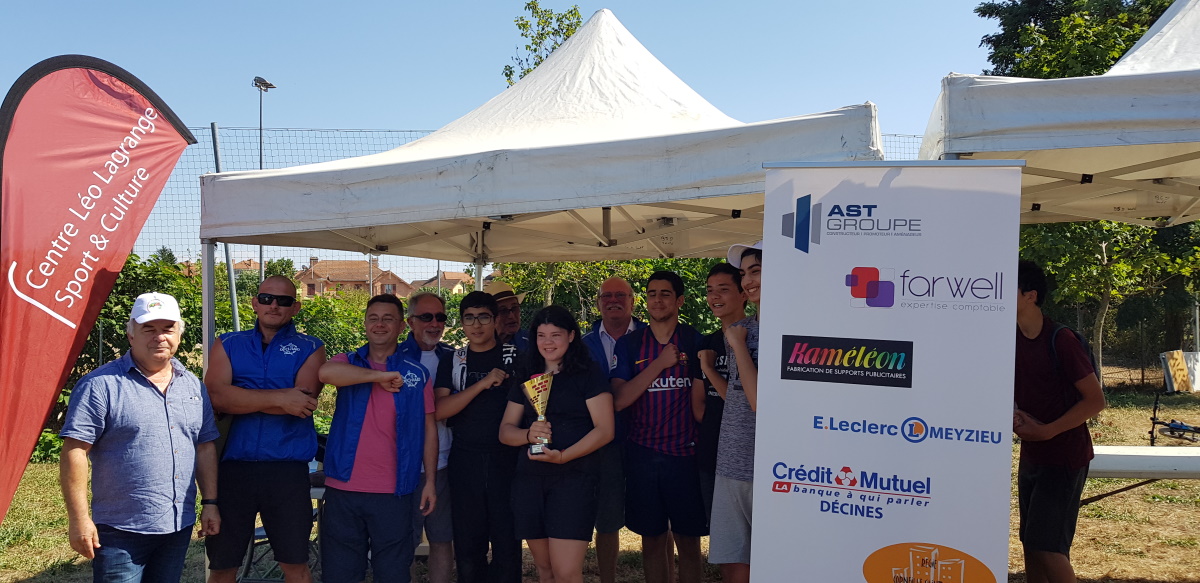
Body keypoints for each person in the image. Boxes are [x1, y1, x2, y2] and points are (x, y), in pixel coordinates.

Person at [59, 292, 220, 582]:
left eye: (168, 329)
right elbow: (75, 451)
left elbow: (204, 447)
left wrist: (210, 502)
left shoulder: (193, 386)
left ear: (179, 335)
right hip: (120, 530)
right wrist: (79, 519)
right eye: (149, 329)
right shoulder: (100, 385)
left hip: (178, 525)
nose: (159, 337)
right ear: (131, 334)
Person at [205, 275, 326, 583]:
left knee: (295, 566)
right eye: (267, 298)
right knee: (222, 566)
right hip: (232, 469)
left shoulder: (311, 347)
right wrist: (280, 398)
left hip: (286, 471)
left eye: (284, 301)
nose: (274, 305)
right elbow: (216, 397)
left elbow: (302, 403)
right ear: (254, 303)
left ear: (295, 308)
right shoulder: (227, 343)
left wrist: (240, 397)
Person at [318, 294, 438, 583]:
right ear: (365, 324)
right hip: (344, 487)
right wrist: (378, 377)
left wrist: (431, 482)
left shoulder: (416, 373)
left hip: (394, 490)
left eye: (388, 319)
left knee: (393, 573)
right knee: (340, 575)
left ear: (401, 326)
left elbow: (429, 429)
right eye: (373, 318)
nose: (380, 324)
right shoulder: (348, 362)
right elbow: (325, 372)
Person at [499, 305, 615, 583]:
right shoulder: (526, 373)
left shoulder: (588, 373)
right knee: (546, 570)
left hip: (574, 480)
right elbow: (505, 432)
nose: (548, 343)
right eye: (541, 335)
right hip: (530, 481)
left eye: (556, 335)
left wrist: (564, 456)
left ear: (571, 336)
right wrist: (528, 435)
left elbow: (605, 430)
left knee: (566, 571)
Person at [611, 271, 707, 583]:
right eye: (652, 293)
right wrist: (660, 364)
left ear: (679, 301)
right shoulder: (630, 344)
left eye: (665, 293)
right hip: (643, 456)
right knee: (652, 542)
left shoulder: (695, 341)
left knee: (689, 544)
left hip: (685, 457)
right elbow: (620, 400)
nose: (657, 299)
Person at [1014, 260, 1106, 583]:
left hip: (1066, 457)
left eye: (1006, 287)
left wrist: (1047, 430)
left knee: (1049, 549)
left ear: (1031, 296)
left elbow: (1096, 400)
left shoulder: (1061, 339)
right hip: (1032, 456)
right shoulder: (1007, 338)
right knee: (1031, 544)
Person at [433, 291, 521, 583]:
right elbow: (440, 410)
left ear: (495, 320)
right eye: (469, 318)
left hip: (507, 460)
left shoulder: (516, 357)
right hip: (465, 459)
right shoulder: (453, 360)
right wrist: (482, 384)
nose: (477, 325)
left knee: (507, 546)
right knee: (469, 549)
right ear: (461, 323)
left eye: (483, 317)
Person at [580, 277, 646, 583]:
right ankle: (607, 578)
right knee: (606, 520)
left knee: (657, 520)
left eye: (621, 295)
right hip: (601, 444)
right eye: (607, 296)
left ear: (633, 301)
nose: (613, 300)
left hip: (648, 439)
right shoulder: (581, 346)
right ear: (598, 303)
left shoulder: (651, 337)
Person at [708, 242, 762, 583]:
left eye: (756, 271)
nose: (748, 281)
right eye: (744, 274)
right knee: (732, 563)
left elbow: (760, 403)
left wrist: (738, 346)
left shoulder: (787, 331)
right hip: (730, 460)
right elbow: (739, 397)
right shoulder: (743, 329)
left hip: (767, 468)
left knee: (768, 564)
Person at [402, 291, 456, 583]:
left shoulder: (454, 356)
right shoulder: (394, 356)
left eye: (440, 317)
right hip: (404, 464)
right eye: (426, 317)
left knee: (442, 538)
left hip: (444, 462)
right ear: (410, 321)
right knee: (404, 541)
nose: (434, 323)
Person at [696, 263, 747, 523]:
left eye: (723, 289)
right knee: (719, 532)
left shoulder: (756, 338)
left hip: (746, 455)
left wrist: (708, 368)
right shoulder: (708, 342)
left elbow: (746, 402)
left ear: (743, 293)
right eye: (709, 290)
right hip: (711, 449)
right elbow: (698, 403)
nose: (714, 296)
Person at [485, 281, 530, 351]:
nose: (511, 316)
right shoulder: (480, 346)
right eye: (503, 311)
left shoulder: (532, 341)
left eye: (514, 308)